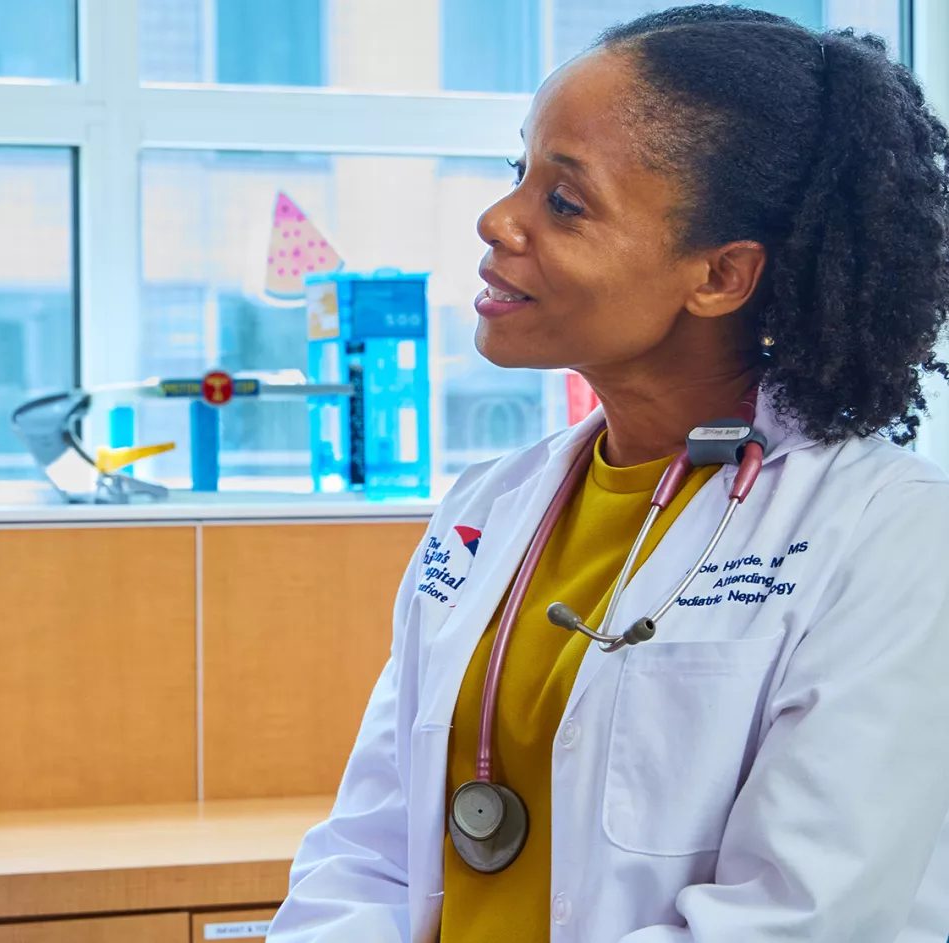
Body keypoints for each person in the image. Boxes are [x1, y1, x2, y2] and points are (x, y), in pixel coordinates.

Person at [271, 7, 949, 941]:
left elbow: (799, 916)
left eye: (565, 201)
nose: (496, 220)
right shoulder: (486, 511)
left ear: (720, 274)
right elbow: (369, 850)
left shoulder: (887, 533)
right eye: (520, 173)